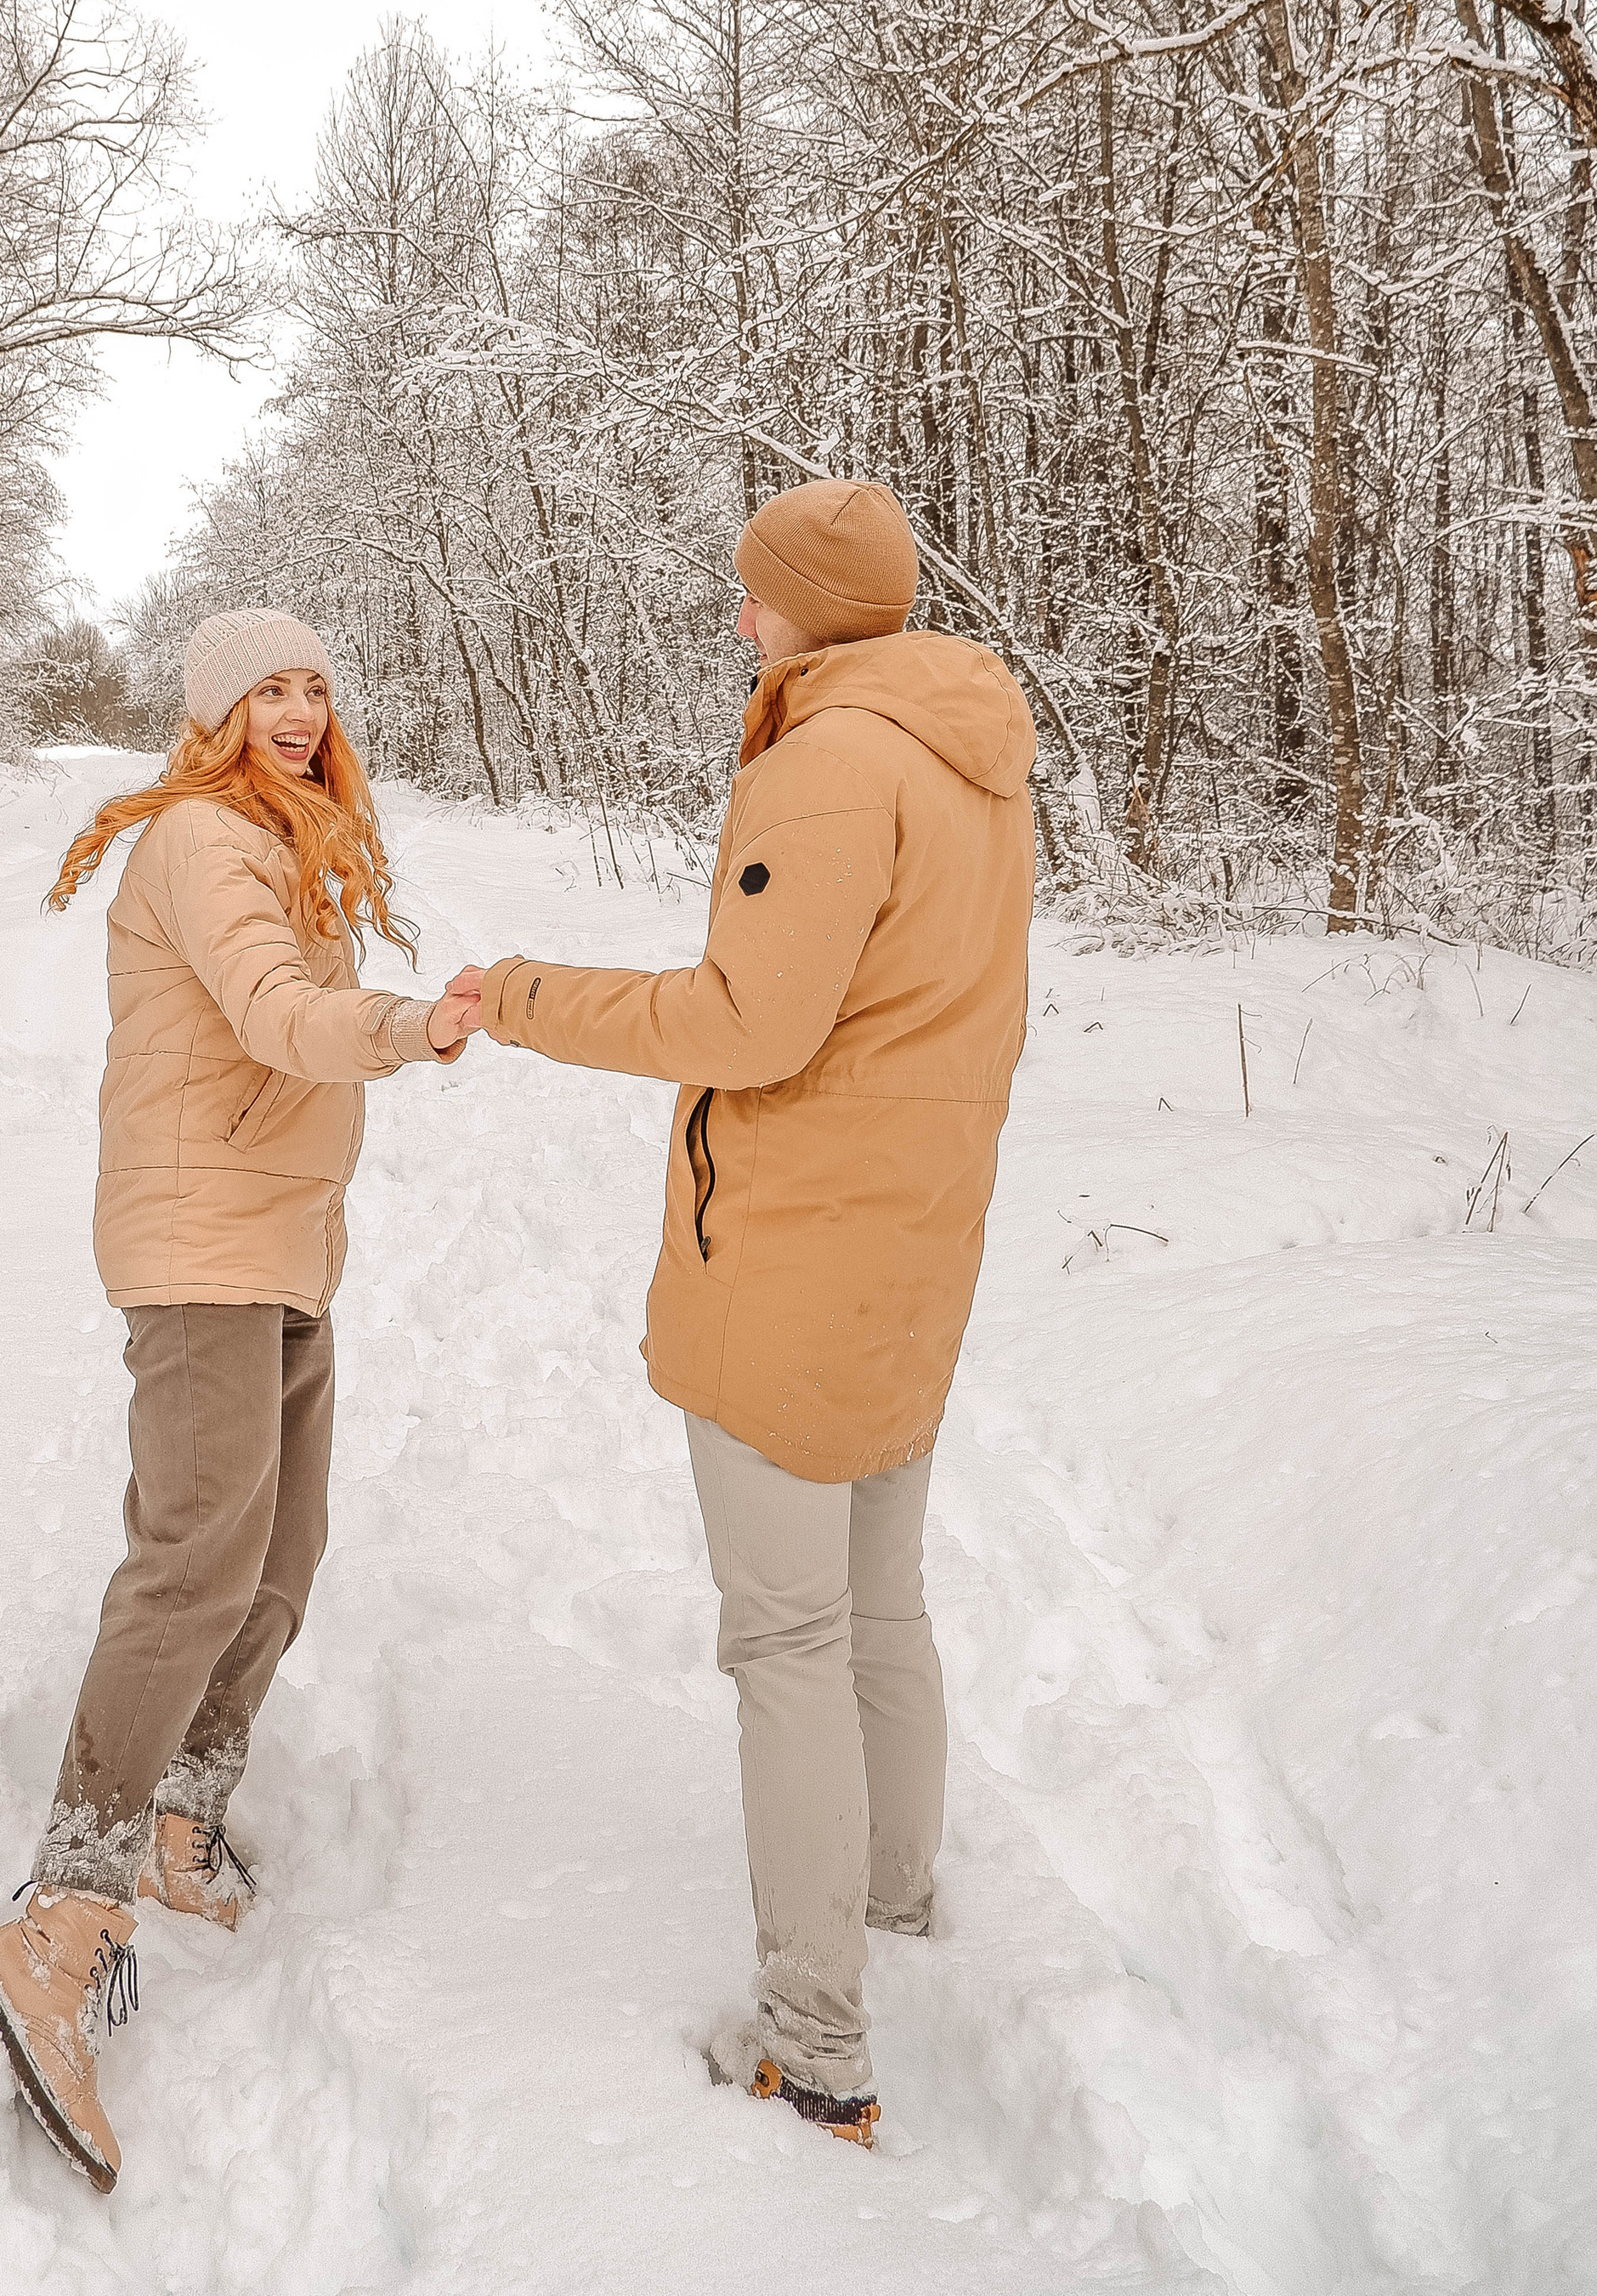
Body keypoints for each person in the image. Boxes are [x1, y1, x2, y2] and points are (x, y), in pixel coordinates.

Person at [449, 479, 1034, 2151]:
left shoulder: (829, 765)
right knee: (878, 1604)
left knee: (786, 1642)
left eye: (749, 595)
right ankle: (893, 1895)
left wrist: (526, 998)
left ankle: (815, 2042)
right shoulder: (964, 755)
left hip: (795, 1252)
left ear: (810, 610)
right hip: (913, 1240)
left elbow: (745, 1023)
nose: (733, 616)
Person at [0, 608, 479, 2192]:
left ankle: (189, 1804)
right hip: (200, 1245)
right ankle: (64, 1911)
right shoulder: (201, 837)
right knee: (195, 1556)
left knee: (283, 1552)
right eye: (270, 689)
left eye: (318, 682)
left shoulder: (290, 833)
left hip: (279, 1236)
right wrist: (410, 1026)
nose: (302, 709)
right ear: (213, 710)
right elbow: (267, 1013)